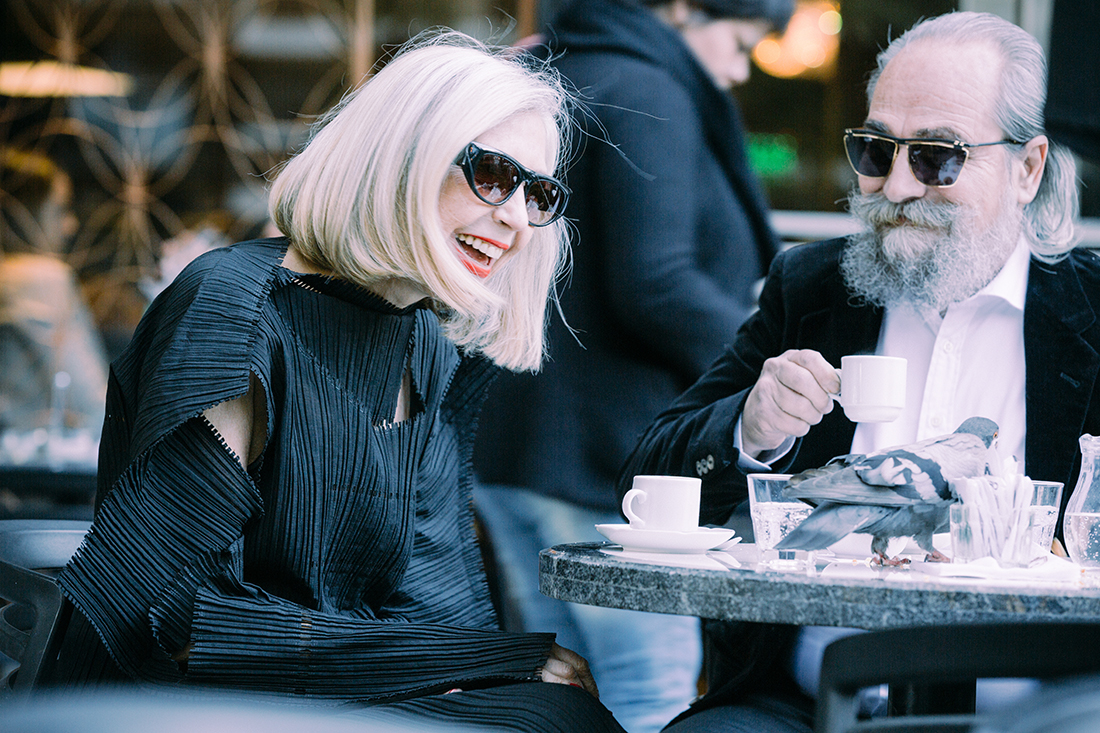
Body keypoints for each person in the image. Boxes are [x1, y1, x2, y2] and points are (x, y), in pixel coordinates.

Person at [52, 32, 625, 733]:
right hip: (182, 706)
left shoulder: (424, 341)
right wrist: (462, 660)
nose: (515, 218)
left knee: (561, 712)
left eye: (537, 193)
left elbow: (435, 599)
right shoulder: (235, 313)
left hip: (334, 692)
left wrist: (479, 664)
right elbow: (178, 622)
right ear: (400, 158)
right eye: (493, 174)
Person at [618, 11, 1096, 732]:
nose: (895, 187)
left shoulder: (1093, 316)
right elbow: (645, 475)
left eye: (936, 157)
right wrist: (751, 426)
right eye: (875, 151)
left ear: (1027, 169)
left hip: (1042, 712)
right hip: (807, 708)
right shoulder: (812, 288)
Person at [473, 2, 791, 730]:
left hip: (516, 446)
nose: (739, 69)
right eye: (739, 42)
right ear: (681, 9)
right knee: (650, 696)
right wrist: (767, 363)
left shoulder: (557, 69)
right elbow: (658, 283)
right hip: (606, 461)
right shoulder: (650, 89)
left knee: (558, 698)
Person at [0, 148, 109, 454]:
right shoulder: (41, 279)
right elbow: (91, 402)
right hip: (35, 463)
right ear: (27, 212)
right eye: (61, 209)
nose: (70, 225)